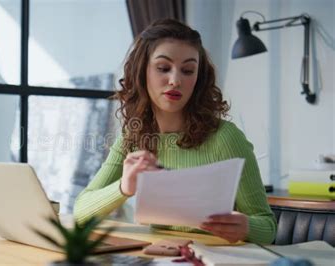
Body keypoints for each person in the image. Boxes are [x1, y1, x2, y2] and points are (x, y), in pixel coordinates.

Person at [73, 19, 276, 244]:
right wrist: (124, 187)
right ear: (142, 72)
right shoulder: (133, 137)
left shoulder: (226, 138)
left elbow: (268, 227)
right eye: (163, 68)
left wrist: (246, 227)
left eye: (188, 70)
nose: (175, 80)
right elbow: (81, 212)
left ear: (198, 79)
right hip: (160, 256)